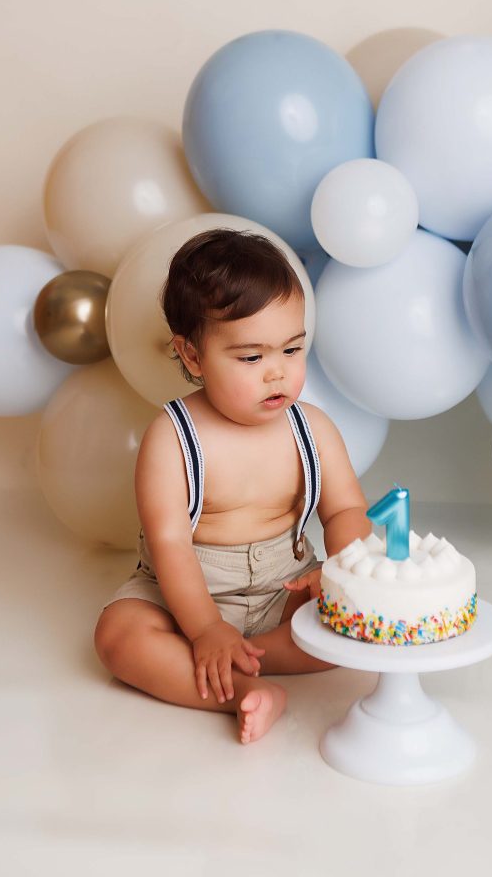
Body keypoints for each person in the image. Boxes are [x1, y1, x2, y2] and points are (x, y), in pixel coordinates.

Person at [94, 228, 371, 744]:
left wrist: (339, 572)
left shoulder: (312, 428)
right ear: (193, 356)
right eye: (251, 358)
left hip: (282, 585)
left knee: (347, 625)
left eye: (292, 349)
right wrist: (203, 629)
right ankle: (242, 691)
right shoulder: (172, 437)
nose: (277, 374)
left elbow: (345, 511)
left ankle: (238, 662)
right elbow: (171, 543)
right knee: (118, 638)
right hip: (185, 592)